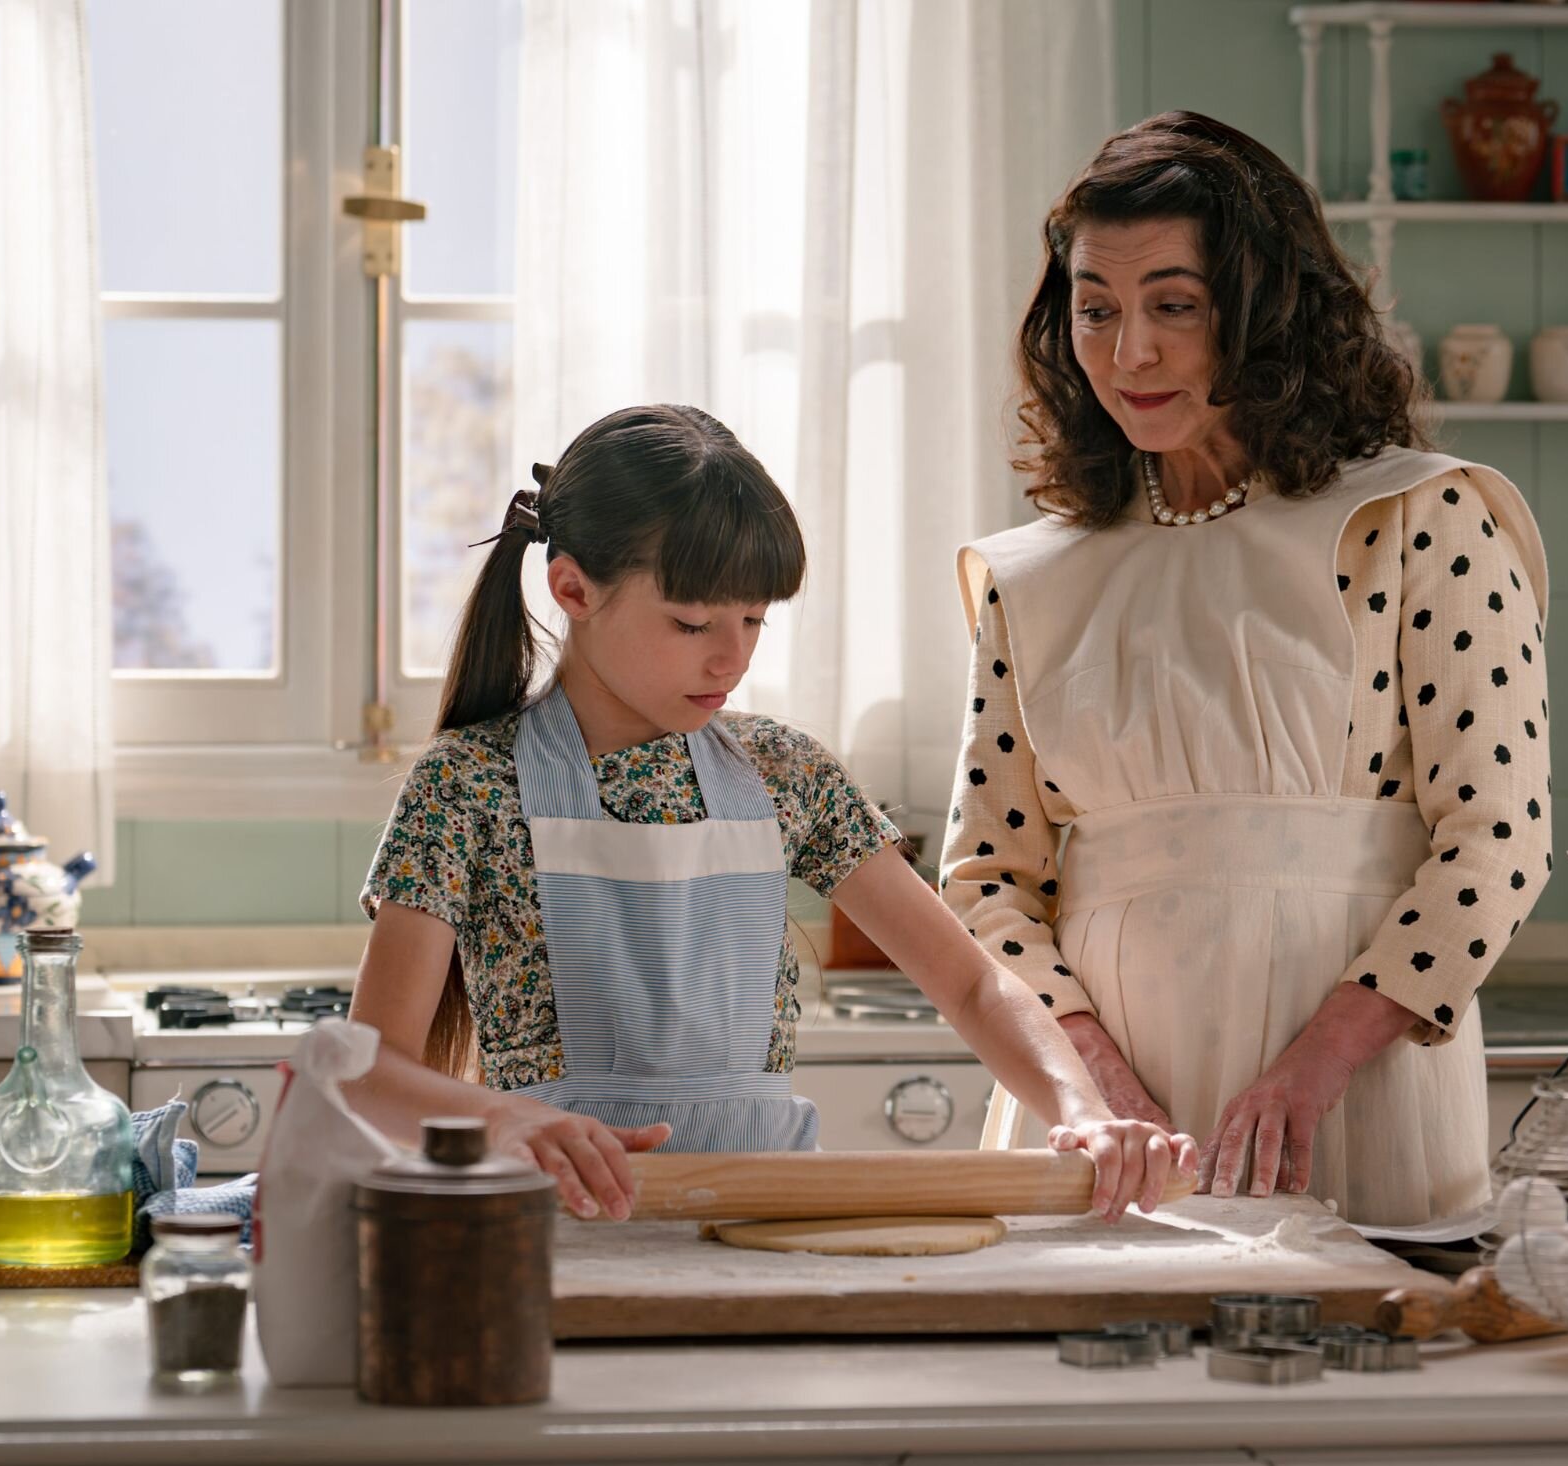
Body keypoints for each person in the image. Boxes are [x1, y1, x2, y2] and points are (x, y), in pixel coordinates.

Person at [347, 405, 1196, 1223]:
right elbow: (367, 1073)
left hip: (766, 1228)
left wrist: (1080, 1105)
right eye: (691, 622)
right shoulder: (467, 786)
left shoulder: (784, 773)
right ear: (571, 588)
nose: (733, 657)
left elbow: (972, 984)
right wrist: (505, 1123)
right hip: (551, 1242)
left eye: (754, 618)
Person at [940, 114, 1552, 1227]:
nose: (1130, 353)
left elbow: (1497, 837)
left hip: (1348, 1091)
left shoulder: (1423, 515)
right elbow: (984, 878)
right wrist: (1094, 1088)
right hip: (1101, 1129)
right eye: (1096, 310)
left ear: (1266, 311)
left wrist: (1314, 1069)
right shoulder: (1031, 576)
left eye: (1174, 305)